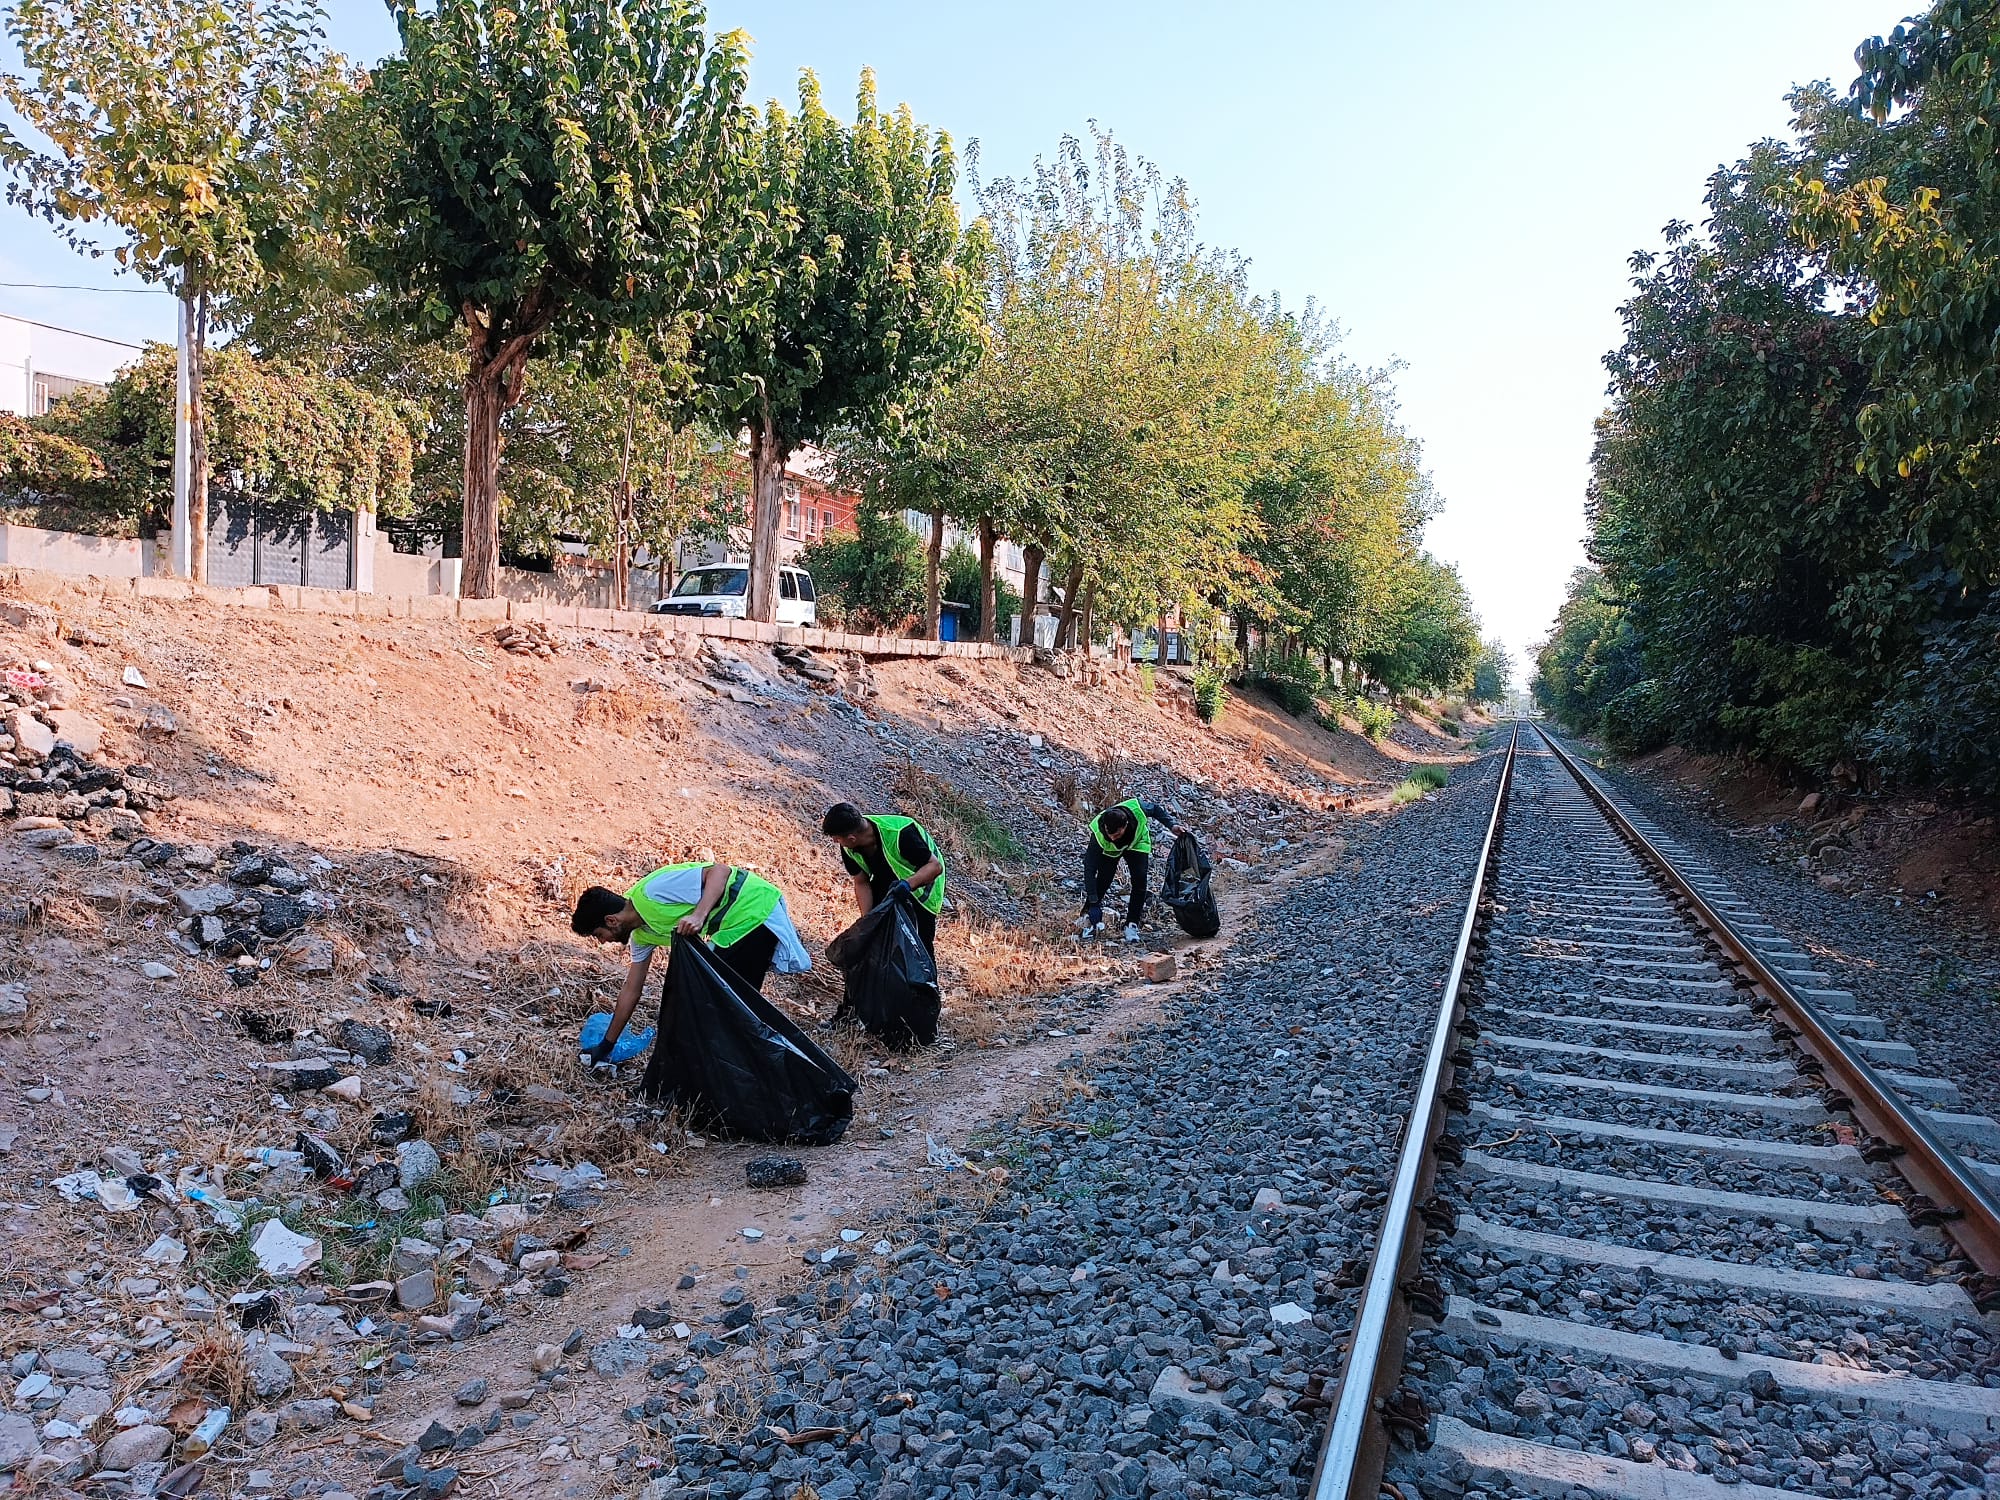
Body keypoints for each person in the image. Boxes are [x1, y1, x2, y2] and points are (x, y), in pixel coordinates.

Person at [570, 861, 811, 1066]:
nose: (603, 942)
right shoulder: (641, 937)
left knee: (727, 1006)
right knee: (719, 1005)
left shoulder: (653, 891)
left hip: (753, 910)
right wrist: (606, 1045)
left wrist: (699, 914)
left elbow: (720, 871)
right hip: (732, 928)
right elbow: (631, 991)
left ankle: (765, 1067)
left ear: (611, 921)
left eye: (599, 935)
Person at [821, 802, 946, 956]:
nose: (835, 842)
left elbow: (935, 867)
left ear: (852, 838)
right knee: (879, 938)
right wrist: (867, 920)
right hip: (887, 880)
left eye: (836, 838)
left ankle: (924, 980)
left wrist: (907, 885)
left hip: (922, 888)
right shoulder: (848, 845)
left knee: (919, 948)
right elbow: (861, 882)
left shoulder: (900, 834)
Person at [1080, 797, 1175, 942]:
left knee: (1139, 880)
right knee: (1104, 880)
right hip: (1110, 851)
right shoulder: (1099, 834)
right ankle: (1087, 918)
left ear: (1125, 825)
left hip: (1137, 843)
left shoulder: (1138, 809)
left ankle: (1131, 924)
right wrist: (1093, 902)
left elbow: (1156, 809)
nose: (1112, 838)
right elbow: (1089, 869)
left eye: (1116, 834)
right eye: (1109, 834)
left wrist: (1172, 826)